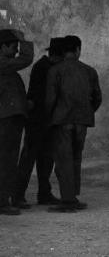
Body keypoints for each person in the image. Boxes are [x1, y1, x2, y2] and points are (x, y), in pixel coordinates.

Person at [46, 35, 102, 212]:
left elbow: (50, 100)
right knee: (76, 158)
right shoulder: (89, 71)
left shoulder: (55, 71)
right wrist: (86, 112)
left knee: (64, 161)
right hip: (81, 122)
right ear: (78, 49)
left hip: (62, 121)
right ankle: (73, 196)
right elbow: (97, 98)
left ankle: (68, 200)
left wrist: (50, 117)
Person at [14, 37, 64, 208]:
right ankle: (19, 195)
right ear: (60, 55)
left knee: (44, 158)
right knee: (30, 159)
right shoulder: (45, 68)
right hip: (38, 120)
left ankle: (40, 193)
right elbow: (42, 96)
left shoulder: (45, 66)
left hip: (42, 119)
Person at [0, 29, 34, 215]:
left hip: (11, 119)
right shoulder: (3, 64)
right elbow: (26, 59)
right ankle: (3, 202)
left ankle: (8, 199)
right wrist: (23, 40)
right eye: (13, 47)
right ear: (2, 47)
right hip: (5, 120)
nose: (16, 51)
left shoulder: (8, 69)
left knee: (9, 160)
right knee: (5, 161)